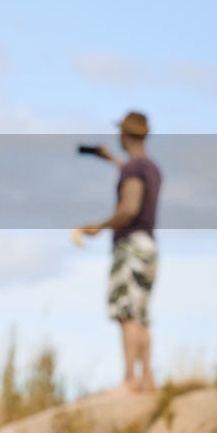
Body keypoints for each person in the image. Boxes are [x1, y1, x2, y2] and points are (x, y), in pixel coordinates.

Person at [76, 111, 161, 393]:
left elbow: (129, 209)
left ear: (124, 134)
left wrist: (98, 226)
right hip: (149, 246)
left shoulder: (132, 170)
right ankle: (146, 379)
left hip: (130, 247)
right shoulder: (150, 168)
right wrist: (113, 160)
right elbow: (136, 176)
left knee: (126, 312)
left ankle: (128, 380)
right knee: (141, 314)